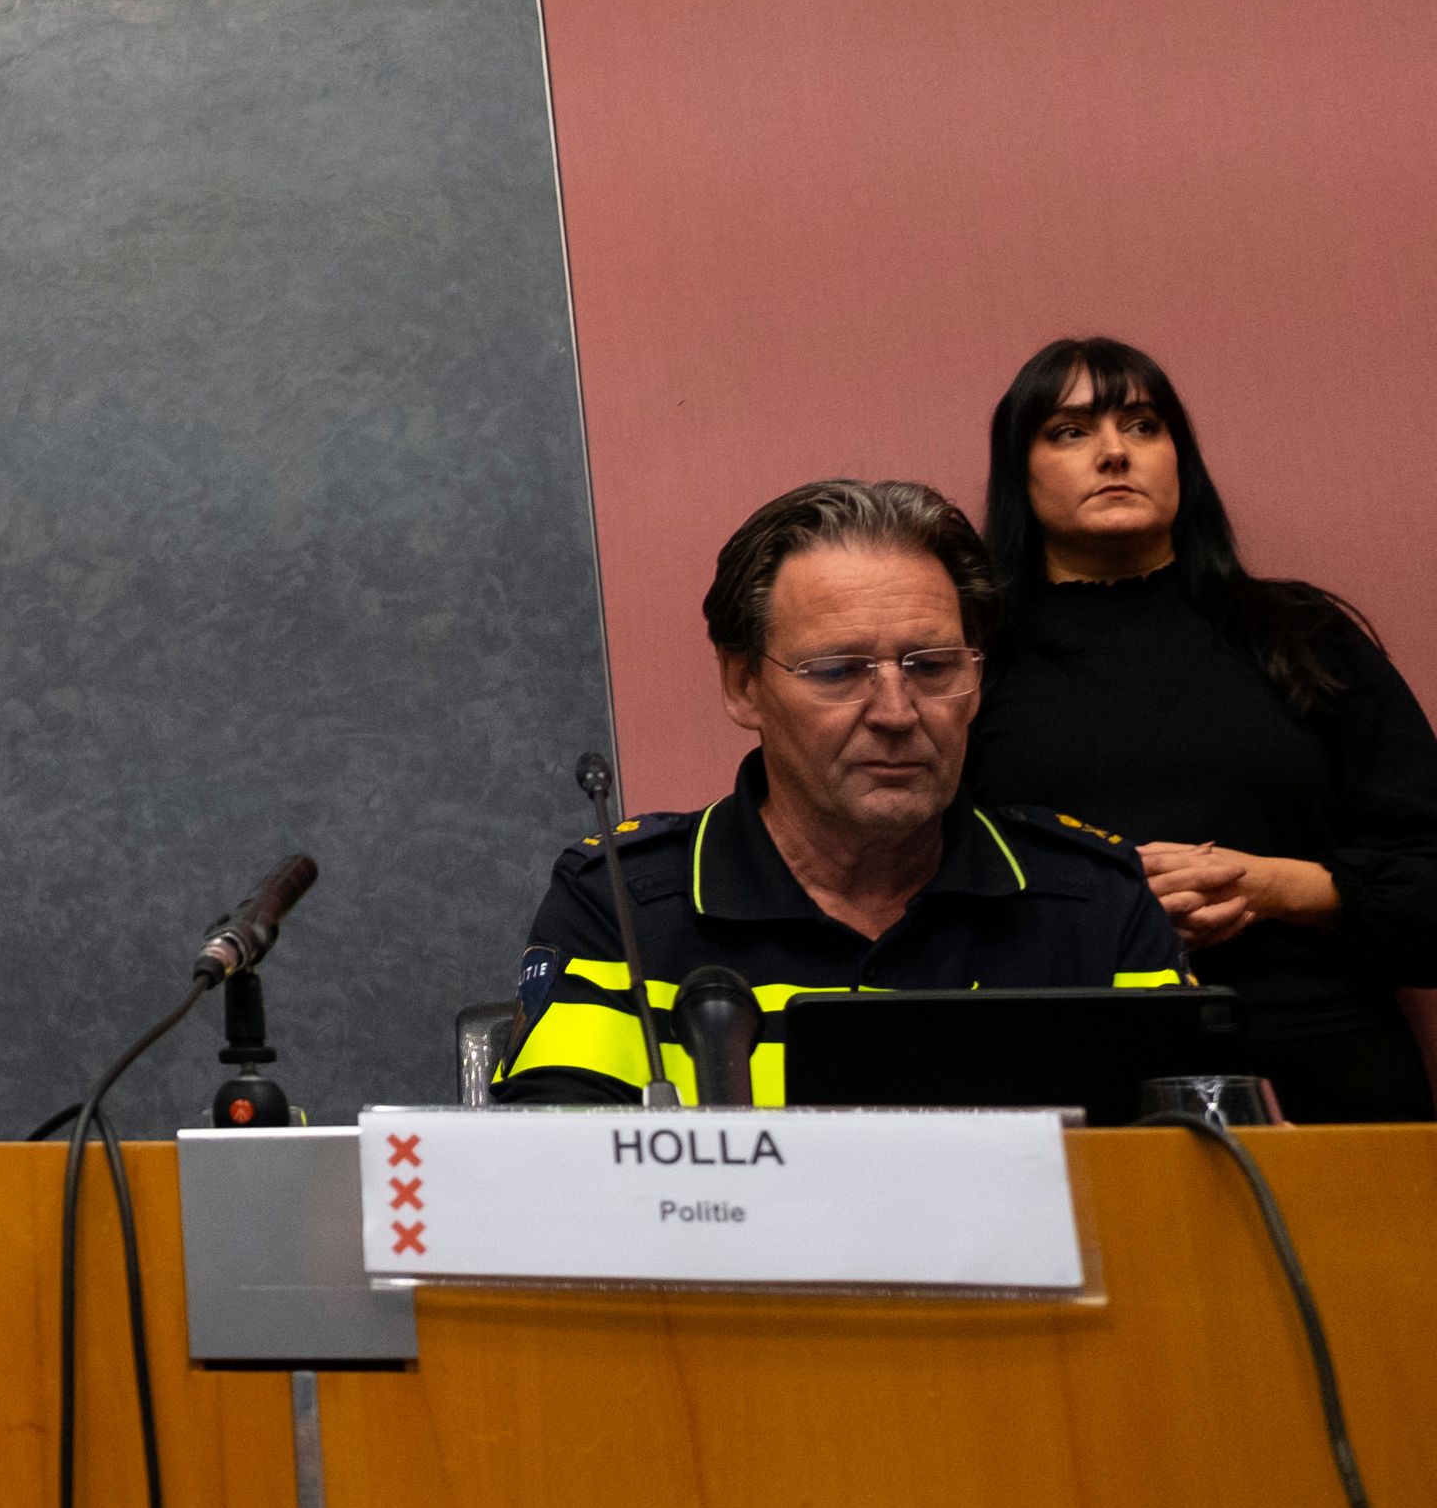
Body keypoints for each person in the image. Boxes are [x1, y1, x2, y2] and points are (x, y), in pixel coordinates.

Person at [497, 480, 1187, 1106]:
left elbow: (1190, 1191)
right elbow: (552, 1198)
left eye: (931, 666)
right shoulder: (623, 903)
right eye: (838, 671)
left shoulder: (1092, 902)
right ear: (744, 686)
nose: (896, 711)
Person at [966, 337, 1437, 1122]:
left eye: (1144, 425)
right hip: (1066, 1073)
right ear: (1020, 470)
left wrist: (1276, 885)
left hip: (1326, 1064)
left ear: (1181, 458)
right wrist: (1107, 911)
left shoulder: (1302, 636)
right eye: (1071, 431)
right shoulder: (971, 664)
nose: (1115, 452)